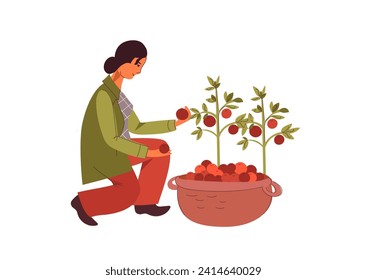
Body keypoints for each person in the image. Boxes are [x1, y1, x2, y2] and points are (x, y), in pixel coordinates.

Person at [71, 40, 190, 226]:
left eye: (141, 66)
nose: (139, 70)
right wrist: (147, 153)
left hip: (118, 148)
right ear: (125, 62)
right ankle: (84, 203)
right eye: (138, 64)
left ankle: (145, 203)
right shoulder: (104, 95)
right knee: (129, 193)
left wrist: (175, 123)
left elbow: (137, 127)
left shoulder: (118, 95)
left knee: (160, 148)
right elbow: (111, 139)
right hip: (104, 154)